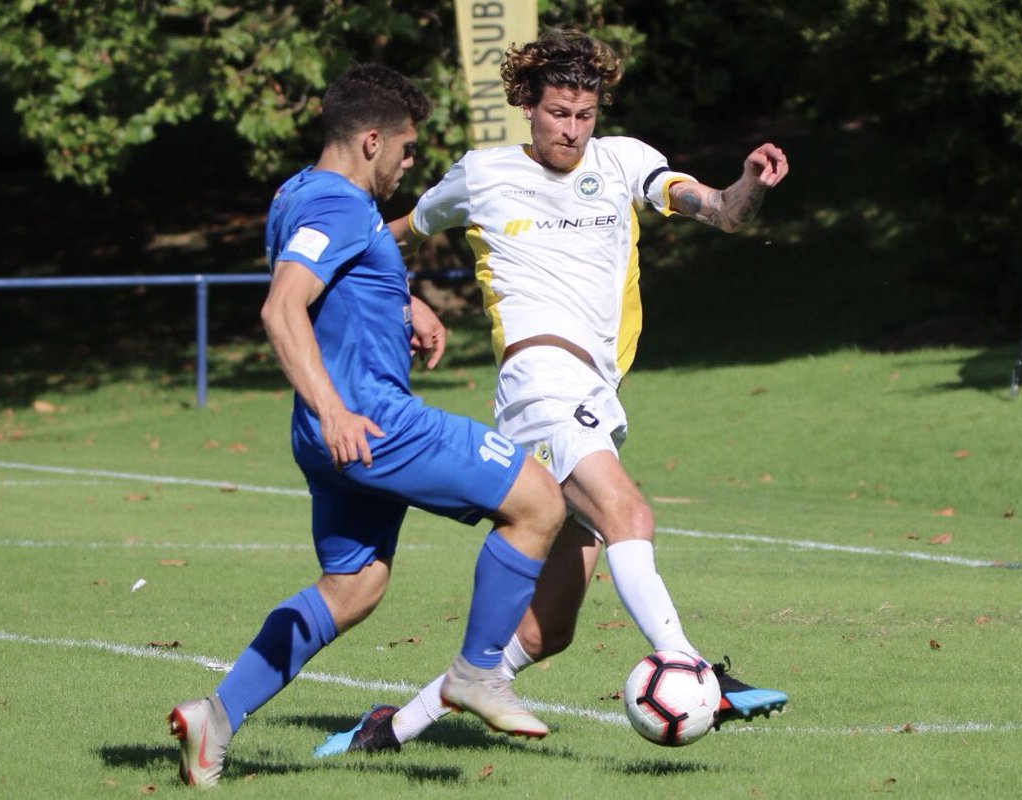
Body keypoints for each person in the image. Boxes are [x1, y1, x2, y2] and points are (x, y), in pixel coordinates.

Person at [316, 30, 792, 757]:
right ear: (528, 108)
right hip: (539, 381)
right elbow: (392, 234)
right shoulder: (482, 173)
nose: (571, 130)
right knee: (630, 511)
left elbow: (721, 210)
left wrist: (750, 183)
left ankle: (394, 727)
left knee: (549, 628)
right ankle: (694, 670)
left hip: (595, 392)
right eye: (558, 113)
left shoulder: (626, 161)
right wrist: (382, 293)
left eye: (584, 115)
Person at [166, 63, 565, 788]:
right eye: (408, 150)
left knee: (354, 586)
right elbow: (283, 308)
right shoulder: (341, 206)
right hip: (372, 425)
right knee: (539, 501)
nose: (413, 164)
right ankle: (478, 674)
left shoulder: (297, 193)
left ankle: (214, 720)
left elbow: (337, 279)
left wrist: (401, 302)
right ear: (372, 140)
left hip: (331, 438)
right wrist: (336, 408)